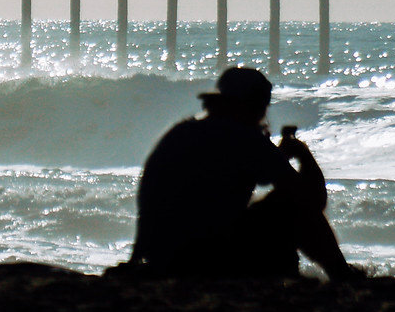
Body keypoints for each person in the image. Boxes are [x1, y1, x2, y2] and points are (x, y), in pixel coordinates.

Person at [129, 66, 361, 282]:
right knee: (288, 205)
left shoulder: (183, 132)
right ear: (251, 105)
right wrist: (303, 156)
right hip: (205, 258)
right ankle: (341, 275)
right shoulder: (243, 137)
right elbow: (311, 200)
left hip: (163, 256)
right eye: (262, 106)